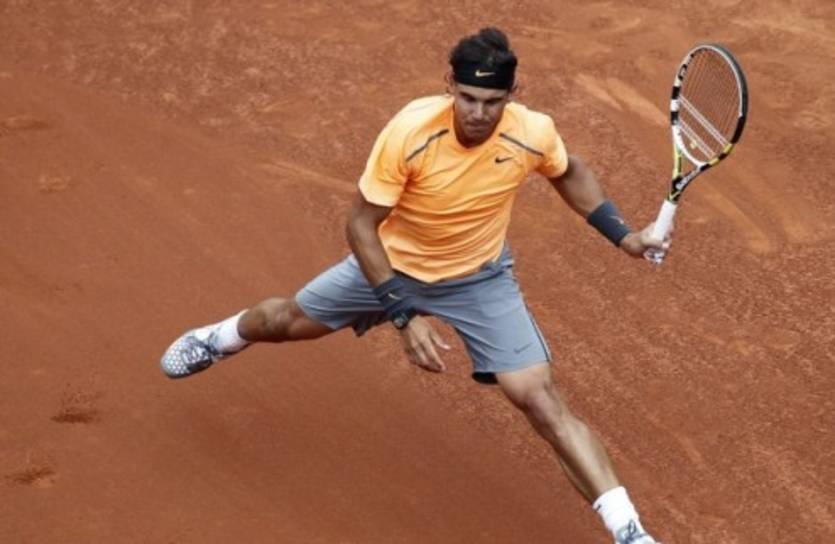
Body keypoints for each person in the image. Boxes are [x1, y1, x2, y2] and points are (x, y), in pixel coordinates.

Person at [160, 27, 667, 544]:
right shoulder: (410, 131)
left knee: (539, 398)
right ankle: (222, 337)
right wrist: (402, 313)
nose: (478, 113)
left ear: (514, 94)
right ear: (449, 85)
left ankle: (629, 532)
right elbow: (361, 225)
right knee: (283, 322)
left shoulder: (532, 132)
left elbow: (567, 170)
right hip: (389, 267)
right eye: (468, 98)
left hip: (479, 278)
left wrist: (624, 236)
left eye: (493, 101)